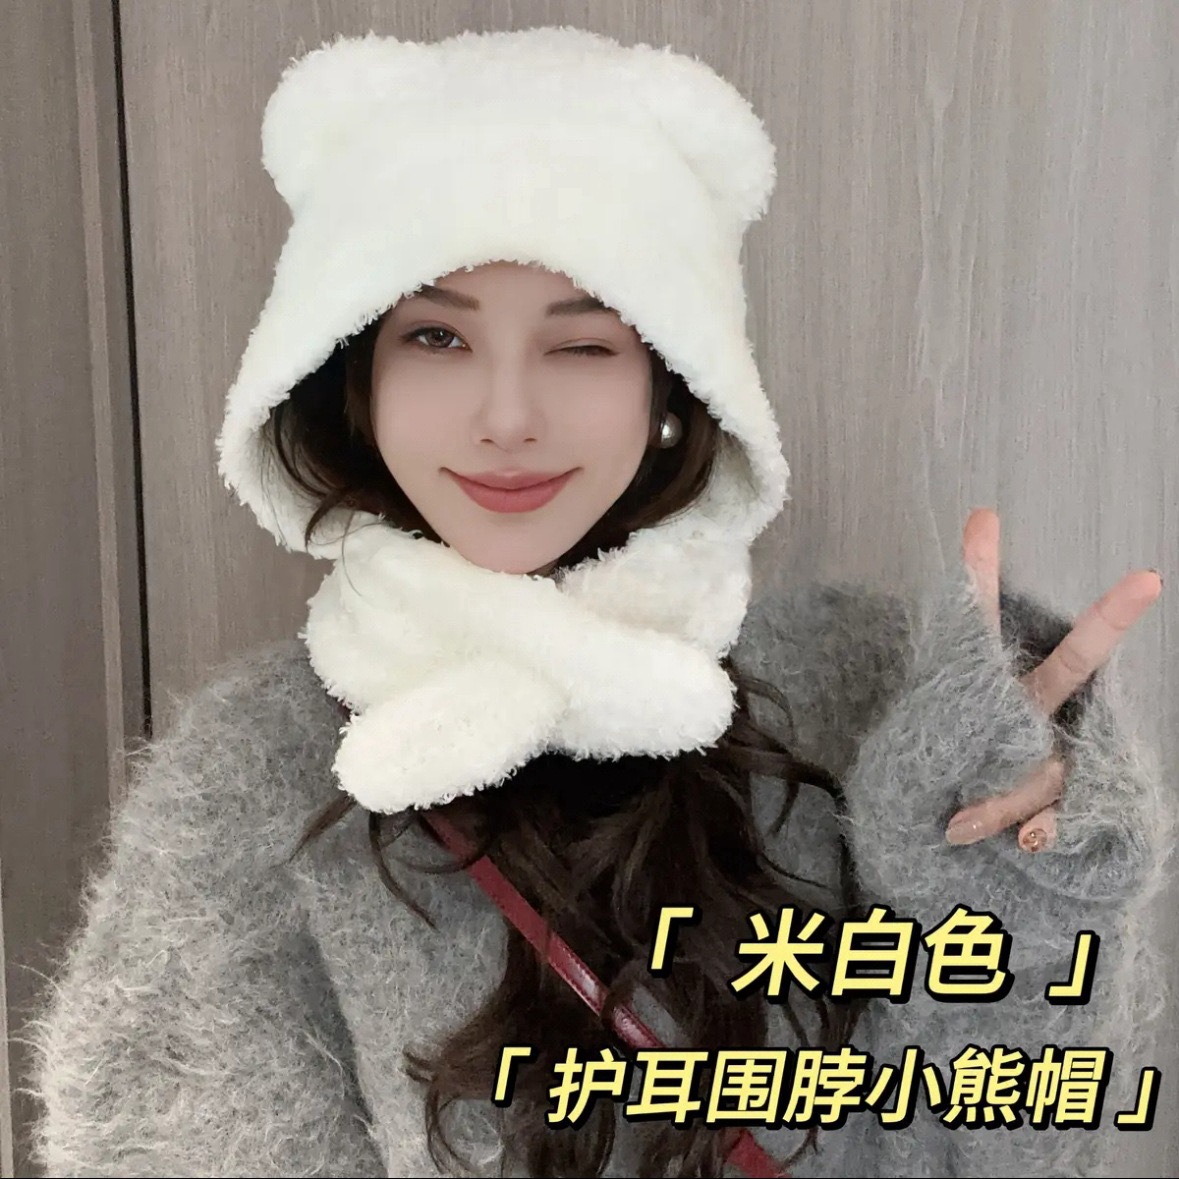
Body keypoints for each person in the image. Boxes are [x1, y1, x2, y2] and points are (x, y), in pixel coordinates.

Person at [26, 24, 1167, 1179]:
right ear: (355, 380)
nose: (507, 417)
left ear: (672, 383)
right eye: (437, 336)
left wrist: (1005, 900)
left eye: (580, 346)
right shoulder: (259, 770)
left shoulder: (857, 695)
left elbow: (1016, 1149)